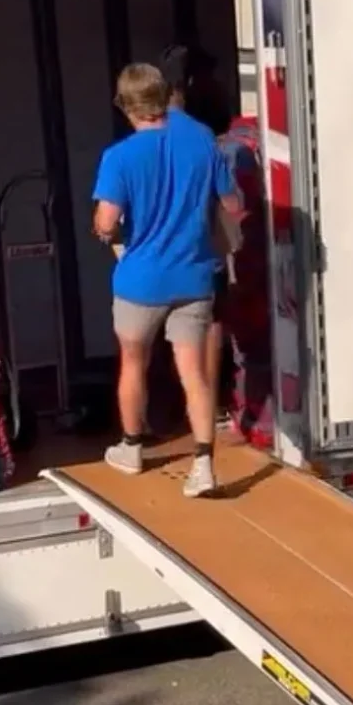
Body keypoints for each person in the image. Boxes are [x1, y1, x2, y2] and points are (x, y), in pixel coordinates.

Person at [91, 63, 241, 497]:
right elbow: (232, 203)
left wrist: (104, 231)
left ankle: (131, 448)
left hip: (140, 282)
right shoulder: (202, 142)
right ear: (164, 97)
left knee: (133, 362)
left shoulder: (119, 157)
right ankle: (204, 467)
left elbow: (106, 222)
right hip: (194, 276)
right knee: (194, 373)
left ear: (125, 106)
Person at [158, 43, 239, 421]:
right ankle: (206, 407)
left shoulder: (144, 134)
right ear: (189, 82)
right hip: (200, 246)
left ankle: (161, 414)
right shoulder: (202, 135)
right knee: (209, 325)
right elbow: (230, 201)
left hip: (157, 252)